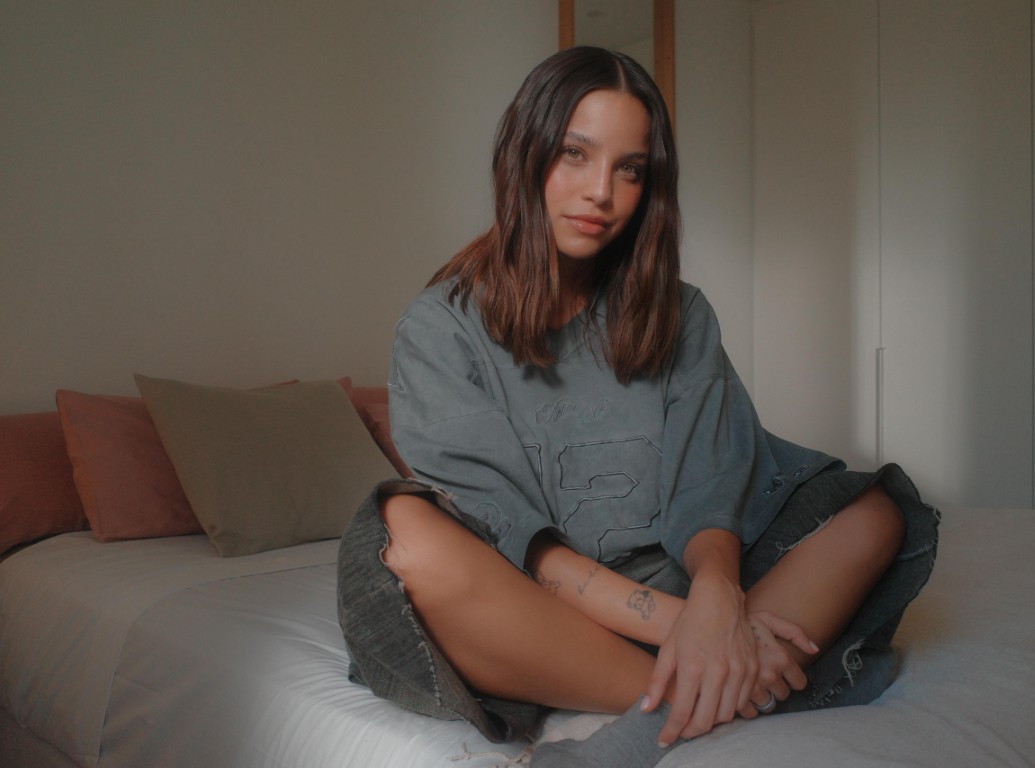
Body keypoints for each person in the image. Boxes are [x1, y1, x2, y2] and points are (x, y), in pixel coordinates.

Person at [338, 46, 939, 767]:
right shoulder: (440, 329)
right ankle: (739, 682)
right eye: (575, 154)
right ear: (525, 154)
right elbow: (520, 544)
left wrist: (718, 590)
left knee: (876, 515)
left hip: (678, 580)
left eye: (630, 169)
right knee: (406, 534)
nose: (602, 192)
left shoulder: (681, 314)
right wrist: (703, 627)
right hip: (540, 607)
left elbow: (710, 481)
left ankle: (648, 723)